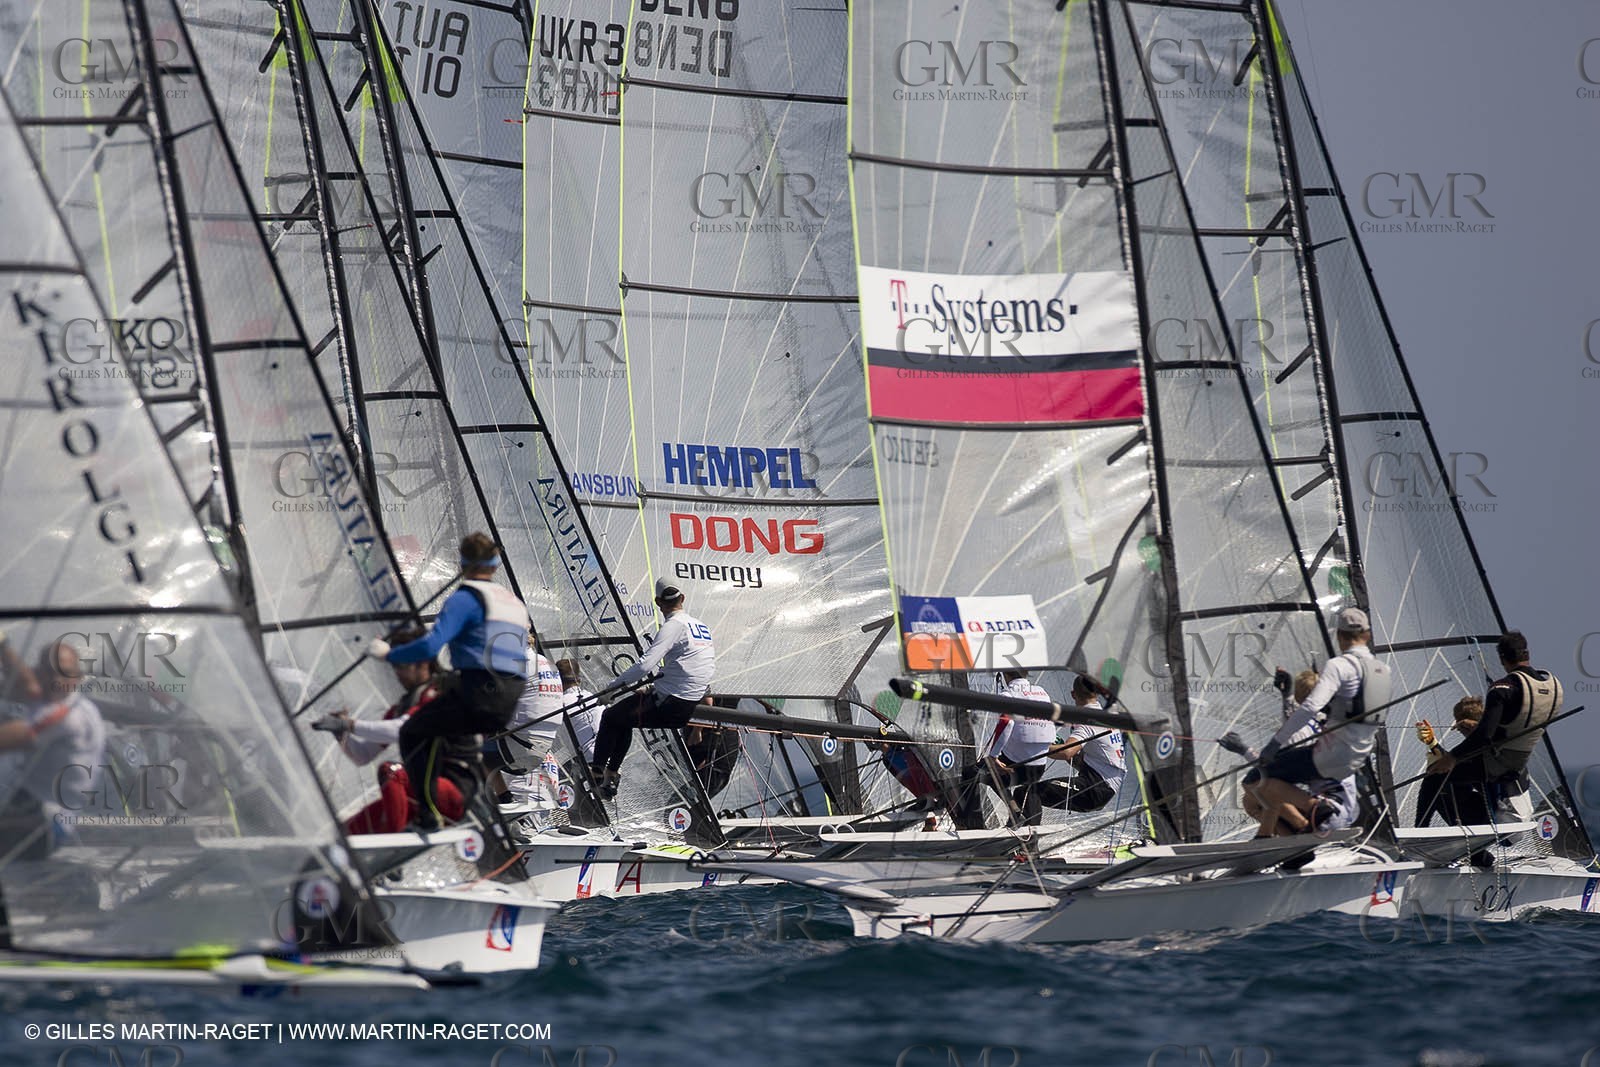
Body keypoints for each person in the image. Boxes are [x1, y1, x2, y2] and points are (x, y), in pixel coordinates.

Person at [367, 533, 529, 831]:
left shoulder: (466, 598)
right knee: (441, 731)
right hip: (507, 700)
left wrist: (389, 654)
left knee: (412, 733)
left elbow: (430, 647)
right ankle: (459, 803)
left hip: (479, 691)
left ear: (462, 563)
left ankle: (429, 815)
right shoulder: (514, 602)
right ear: (495, 565)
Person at [1243, 607, 1390, 838]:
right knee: (1270, 781)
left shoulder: (1339, 666)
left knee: (1255, 779)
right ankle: (1293, 832)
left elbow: (1311, 707)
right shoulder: (1383, 671)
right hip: (1358, 756)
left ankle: (1311, 811)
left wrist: (1274, 743)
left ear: (1340, 636)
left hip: (1329, 755)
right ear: (1368, 635)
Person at [315, 628, 470, 834]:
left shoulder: (440, 694)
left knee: (391, 771)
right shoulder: (400, 708)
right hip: (418, 792)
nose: (397, 673)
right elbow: (363, 755)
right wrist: (341, 732)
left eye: (402, 666)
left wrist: (350, 724)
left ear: (423, 662)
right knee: (346, 831)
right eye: (394, 666)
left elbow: (403, 729)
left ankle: (394, 844)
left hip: (452, 791)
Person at [587, 578, 714, 798]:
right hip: (687, 704)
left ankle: (598, 774)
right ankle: (610, 775)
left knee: (609, 717)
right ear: (682, 598)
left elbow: (645, 665)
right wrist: (652, 689)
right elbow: (696, 669)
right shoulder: (701, 626)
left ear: (658, 602)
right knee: (623, 717)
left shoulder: (674, 626)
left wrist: (611, 688)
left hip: (670, 704)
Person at [1425, 632, 1563, 823]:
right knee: (1453, 779)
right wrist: (1433, 744)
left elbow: (1484, 736)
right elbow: (1510, 726)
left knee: (1434, 777)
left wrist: (1452, 757)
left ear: (1502, 658)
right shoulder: (1553, 687)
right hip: (1517, 765)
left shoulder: (1502, 689)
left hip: (1498, 771)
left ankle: (1413, 835)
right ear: (1526, 653)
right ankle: (1476, 852)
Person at [0, 640, 108, 854]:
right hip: (25, 811)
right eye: (49, 673)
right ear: (39, 673)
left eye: (64, 674)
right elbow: (26, 684)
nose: (56, 681)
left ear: (78, 678)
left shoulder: (68, 717)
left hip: (44, 827)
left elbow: (11, 738)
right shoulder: (55, 700)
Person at [1227, 669, 1359, 835]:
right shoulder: (1324, 722)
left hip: (1329, 813)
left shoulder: (1302, 730)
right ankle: (1288, 836)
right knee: (1252, 798)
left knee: (1257, 786)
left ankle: (1296, 827)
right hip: (1346, 811)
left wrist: (1244, 750)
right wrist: (1286, 696)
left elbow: (1274, 764)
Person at [953, 669, 1053, 827]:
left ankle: (970, 824)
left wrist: (993, 756)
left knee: (971, 773)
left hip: (1017, 770)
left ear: (1005, 675)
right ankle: (1015, 814)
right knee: (992, 771)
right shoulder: (1042, 693)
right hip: (1039, 768)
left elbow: (1007, 722)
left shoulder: (1008, 695)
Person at [485, 631, 564, 806]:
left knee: (466, 742)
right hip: (543, 748)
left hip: (518, 750)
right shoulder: (547, 663)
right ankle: (504, 797)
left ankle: (500, 799)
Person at [1036, 675, 1127, 813]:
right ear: (1096, 694)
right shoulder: (1107, 716)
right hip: (1103, 788)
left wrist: (1039, 748)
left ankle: (1027, 832)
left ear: (1073, 694)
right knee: (1030, 793)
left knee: (1028, 793)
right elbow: (1078, 759)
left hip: (1095, 788)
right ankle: (1024, 827)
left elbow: (1066, 752)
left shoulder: (1087, 720)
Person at [1414, 696, 1489, 827]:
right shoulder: (1473, 746)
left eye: (1459, 724)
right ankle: (1421, 829)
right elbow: (1455, 762)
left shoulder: (1490, 744)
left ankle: (1420, 829)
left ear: (1466, 723)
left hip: (1498, 816)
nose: (1459, 729)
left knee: (1435, 777)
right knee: (1441, 780)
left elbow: (1455, 764)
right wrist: (1432, 743)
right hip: (1483, 814)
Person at [556, 658, 600, 763]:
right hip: (610, 759)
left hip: (587, 763)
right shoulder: (593, 697)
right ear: (578, 679)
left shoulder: (560, 704)